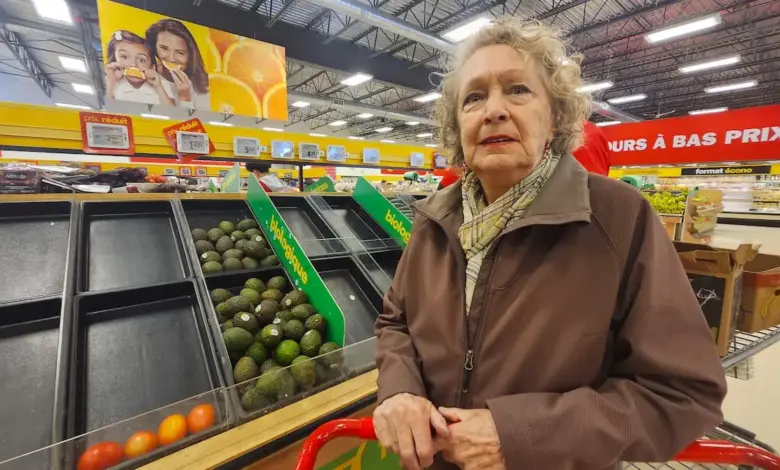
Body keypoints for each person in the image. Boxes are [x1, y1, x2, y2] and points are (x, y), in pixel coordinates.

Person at [373, 17, 726, 470]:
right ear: (457, 126)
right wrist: (399, 389)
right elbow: (396, 321)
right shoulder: (434, 218)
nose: (493, 111)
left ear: (555, 116)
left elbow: (682, 393)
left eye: (518, 90)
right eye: (473, 97)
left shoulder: (618, 218)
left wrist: (521, 435)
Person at [145, 19, 210, 110]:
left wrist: (185, 98)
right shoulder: (146, 74)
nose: (171, 58)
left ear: (191, 55)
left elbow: (200, 119)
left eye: (180, 53)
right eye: (164, 48)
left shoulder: (203, 86)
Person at [104, 30, 172, 105]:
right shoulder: (112, 82)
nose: (133, 64)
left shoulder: (162, 83)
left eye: (142, 60)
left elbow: (171, 111)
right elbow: (109, 109)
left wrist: (158, 86)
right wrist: (111, 82)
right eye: (124, 57)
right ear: (115, 60)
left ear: (152, 67)